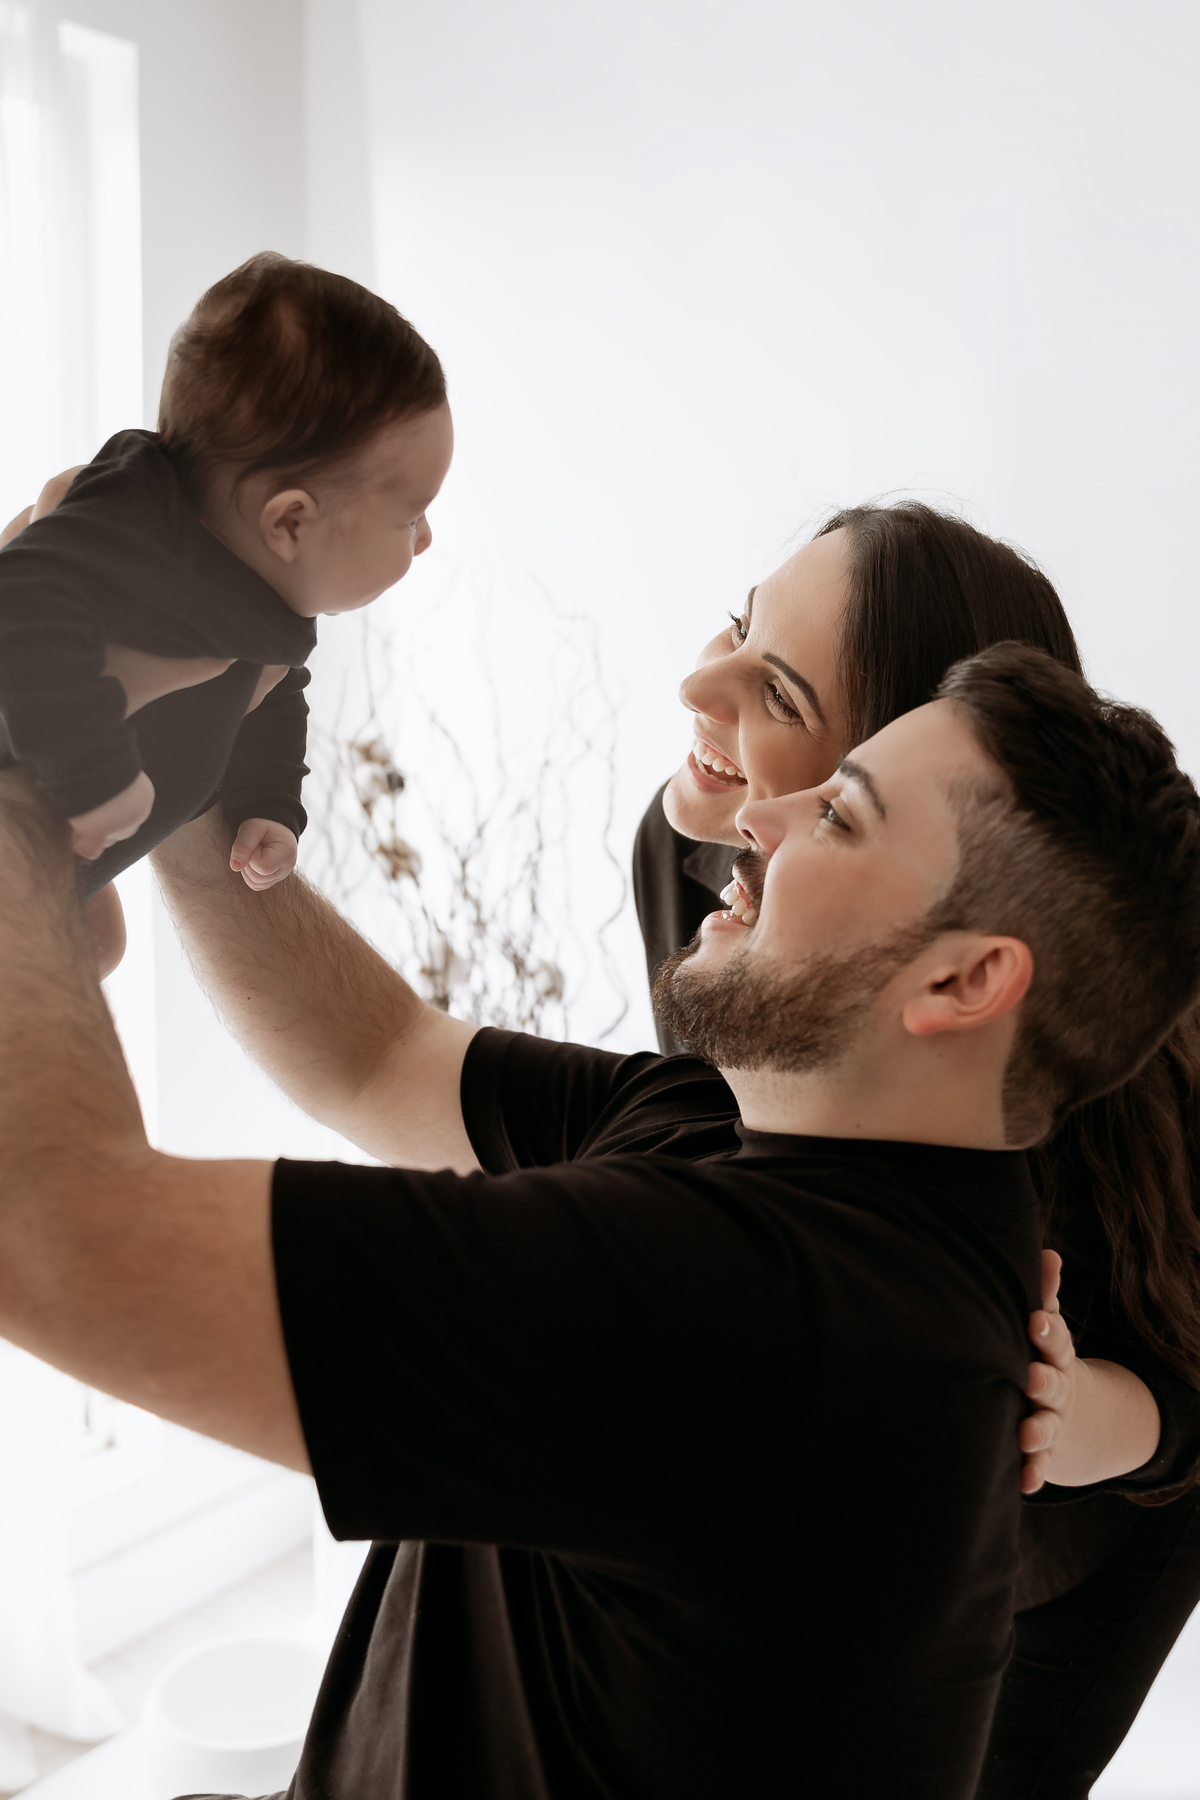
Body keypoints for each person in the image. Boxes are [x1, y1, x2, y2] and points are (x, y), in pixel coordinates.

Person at [2, 645, 1198, 1800]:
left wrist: (25, 745)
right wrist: (176, 762)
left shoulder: (763, 1315)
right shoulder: (791, 1152)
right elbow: (380, 1057)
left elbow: (53, 1233)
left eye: (840, 815)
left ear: (963, 981)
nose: (759, 817)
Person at [631, 502, 1200, 1797]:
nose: (696, 685)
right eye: (737, 624)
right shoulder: (689, 856)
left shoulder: (1114, 1111)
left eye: (777, 689)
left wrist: (1070, 1413)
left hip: (1105, 1501)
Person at [0, 252, 452, 972]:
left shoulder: (260, 603)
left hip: (58, 864)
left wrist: (268, 802)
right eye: (410, 516)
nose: (425, 539)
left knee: (97, 949)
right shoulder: (135, 522)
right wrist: (92, 773)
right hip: (29, 794)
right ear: (291, 523)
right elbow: (21, 606)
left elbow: (271, 698)